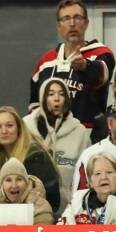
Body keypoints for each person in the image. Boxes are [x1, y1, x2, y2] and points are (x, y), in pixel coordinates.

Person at [30, 0, 116, 126]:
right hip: (51, 137)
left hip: (89, 136)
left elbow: (101, 74)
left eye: (77, 17)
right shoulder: (45, 61)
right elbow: (34, 103)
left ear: (86, 23)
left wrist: (84, 66)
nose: (72, 24)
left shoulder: (102, 53)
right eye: (66, 18)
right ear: (58, 26)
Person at [24, 77, 91, 207]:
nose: (56, 98)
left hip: (68, 206)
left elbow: (87, 173)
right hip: (30, 204)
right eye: (51, 94)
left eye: (61, 94)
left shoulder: (80, 132)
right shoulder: (26, 126)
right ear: (42, 98)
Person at [0, 105, 61, 212]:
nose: (4, 131)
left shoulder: (36, 156)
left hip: (36, 219)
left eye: (9, 125)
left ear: (19, 129)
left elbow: (52, 201)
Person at [59, 151, 116, 224]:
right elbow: (61, 230)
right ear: (90, 181)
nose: (103, 177)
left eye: (109, 172)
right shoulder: (77, 199)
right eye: (98, 173)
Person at [0, 157, 54, 225]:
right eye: (8, 180)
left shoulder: (41, 206)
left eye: (19, 179)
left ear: (26, 183)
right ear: (2, 185)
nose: (14, 185)